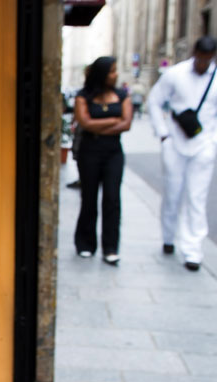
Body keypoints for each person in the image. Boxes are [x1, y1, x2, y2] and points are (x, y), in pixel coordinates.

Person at [147, 36, 217, 271]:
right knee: (172, 193)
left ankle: (192, 250)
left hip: (203, 145)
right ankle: (168, 237)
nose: (203, 63)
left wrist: (214, 142)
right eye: (200, 58)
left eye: (207, 60)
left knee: (197, 198)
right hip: (175, 143)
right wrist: (163, 134)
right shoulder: (174, 75)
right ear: (194, 54)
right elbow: (154, 101)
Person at [73, 56, 132, 266]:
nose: (115, 75)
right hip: (90, 151)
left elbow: (127, 123)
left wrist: (100, 124)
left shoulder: (122, 95)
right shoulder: (84, 96)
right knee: (89, 197)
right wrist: (113, 120)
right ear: (102, 74)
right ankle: (85, 243)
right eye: (112, 71)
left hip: (113, 152)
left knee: (112, 198)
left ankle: (110, 247)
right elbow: (85, 123)